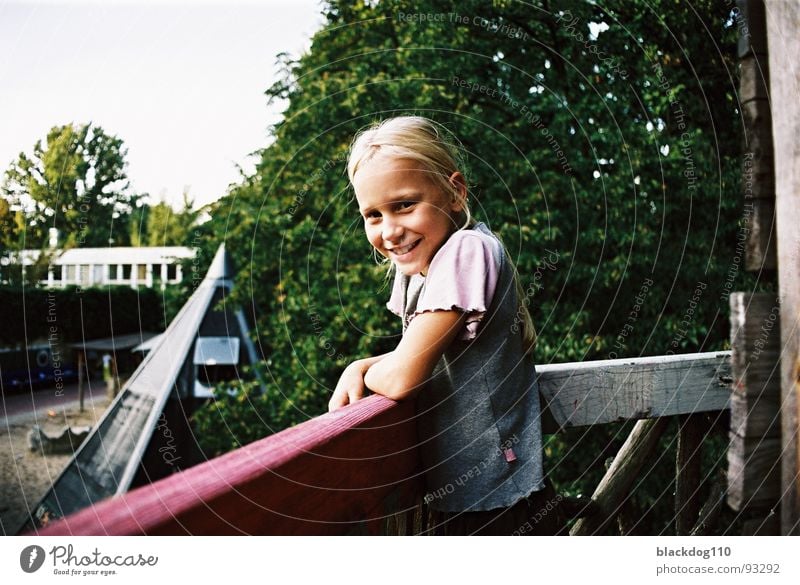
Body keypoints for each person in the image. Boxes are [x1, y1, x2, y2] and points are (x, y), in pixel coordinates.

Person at [329, 116, 564, 535]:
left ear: (455, 191)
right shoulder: (427, 264)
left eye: (404, 205)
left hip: (494, 501)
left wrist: (366, 370)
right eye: (373, 215)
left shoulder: (465, 251)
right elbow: (425, 356)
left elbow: (404, 376)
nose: (389, 230)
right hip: (469, 492)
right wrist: (361, 366)